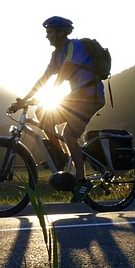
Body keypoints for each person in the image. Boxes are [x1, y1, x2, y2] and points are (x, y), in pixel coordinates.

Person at [9, 16, 106, 202]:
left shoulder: (73, 47)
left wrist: (48, 94)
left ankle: (82, 180)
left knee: (69, 135)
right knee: (43, 115)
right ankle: (60, 157)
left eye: (50, 32)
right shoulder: (56, 55)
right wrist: (24, 100)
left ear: (61, 33)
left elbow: (64, 73)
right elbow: (43, 79)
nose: (47, 36)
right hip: (78, 97)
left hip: (90, 97)